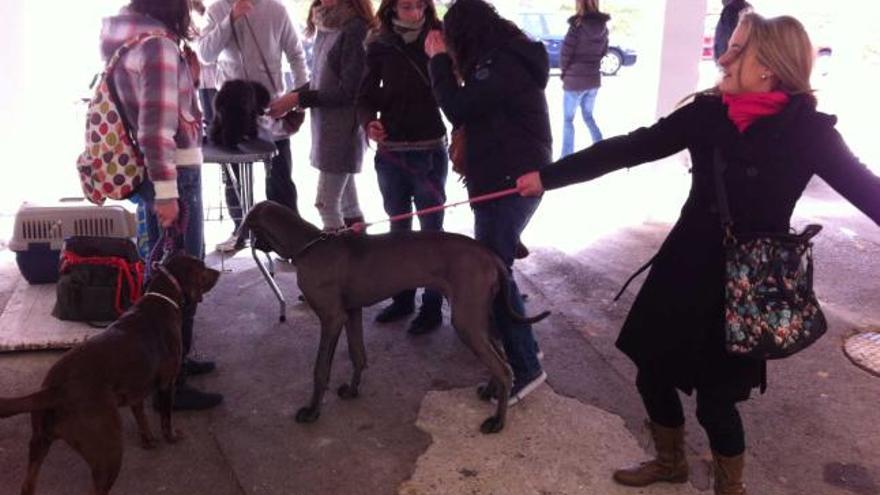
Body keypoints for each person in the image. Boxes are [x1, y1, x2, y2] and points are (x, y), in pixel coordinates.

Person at [517, 13, 880, 494]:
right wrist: (549, 176)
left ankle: (730, 488)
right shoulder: (710, 113)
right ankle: (670, 463)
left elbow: (868, 193)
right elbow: (634, 147)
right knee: (651, 373)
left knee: (716, 402)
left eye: (738, 49)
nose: (723, 57)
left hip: (747, 286)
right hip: (684, 266)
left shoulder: (810, 132)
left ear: (769, 65)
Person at [424, 0, 549, 404]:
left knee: (494, 273)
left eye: (453, 41)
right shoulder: (500, 57)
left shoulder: (503, 65)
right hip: (499, 179)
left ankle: (527, 367)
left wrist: (438, 62)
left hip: (510, 182)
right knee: (495, 268)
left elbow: (457, 108)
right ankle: (522, 349)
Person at [100, 0, 223, 409]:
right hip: (172, 174)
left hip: (150, 174)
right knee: (181, 276)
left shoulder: (125, 35)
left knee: (161, 276)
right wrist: (169, 194)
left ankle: (174, 362)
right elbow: (156, 131)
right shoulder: (158, 47)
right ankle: (172, 381)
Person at [358, 0, 448, 335]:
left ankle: (433, 306)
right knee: (398, 232)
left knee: (432, 234)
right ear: (392, 8)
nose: (413, 12)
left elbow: (456, 90)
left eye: (418, 6)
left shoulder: (441, 38)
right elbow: (364, 96)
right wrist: (369, 122)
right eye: (406, 6)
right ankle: (402, 298)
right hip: (392, 154)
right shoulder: (379, 43)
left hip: (429, 151)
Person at [197, 0, 310, 251]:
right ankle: (240, 229)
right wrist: (230, 19)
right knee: (233, 178)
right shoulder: (217, 10)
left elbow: (296, 54)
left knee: (280, 175)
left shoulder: (277, 9)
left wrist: (300, 98)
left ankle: (287, 238)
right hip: (231, 111)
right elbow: (204, 53)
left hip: (271, 106)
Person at [269, 0, 375, 231]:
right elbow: (321, 80)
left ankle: (339, 265)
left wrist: (298, 99)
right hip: (327, 128)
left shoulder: (354, 28)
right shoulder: (325, 24)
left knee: (326, 205)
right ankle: (360, 260)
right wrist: (294, 97)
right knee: (348, 205)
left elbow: (349, 91)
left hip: (343, 130)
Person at [559, 0, 609, 158]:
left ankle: (567, 157)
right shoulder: (603, 27)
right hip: (593, 79)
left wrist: (564, 73)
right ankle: (602, 147)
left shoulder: (577, 26)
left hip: (574, 81)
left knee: (568, 120)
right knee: (588, 116)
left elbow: (565, 54)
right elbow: (603, 51)